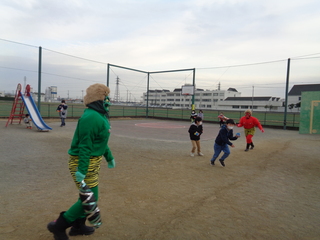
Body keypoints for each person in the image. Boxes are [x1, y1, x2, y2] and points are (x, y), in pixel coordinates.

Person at [47, 83, 116, 240]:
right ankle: (58, 226)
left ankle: (78, 227)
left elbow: (101, 141)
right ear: (98, 99)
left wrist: (109, 157)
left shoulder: (99, 116)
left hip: (92, 162)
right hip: (83, 162)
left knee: (86, 197)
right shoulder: (91, 117)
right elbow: (85, 146)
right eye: (106, 98)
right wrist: (82, 169)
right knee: (90, 198)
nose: (109, 101)